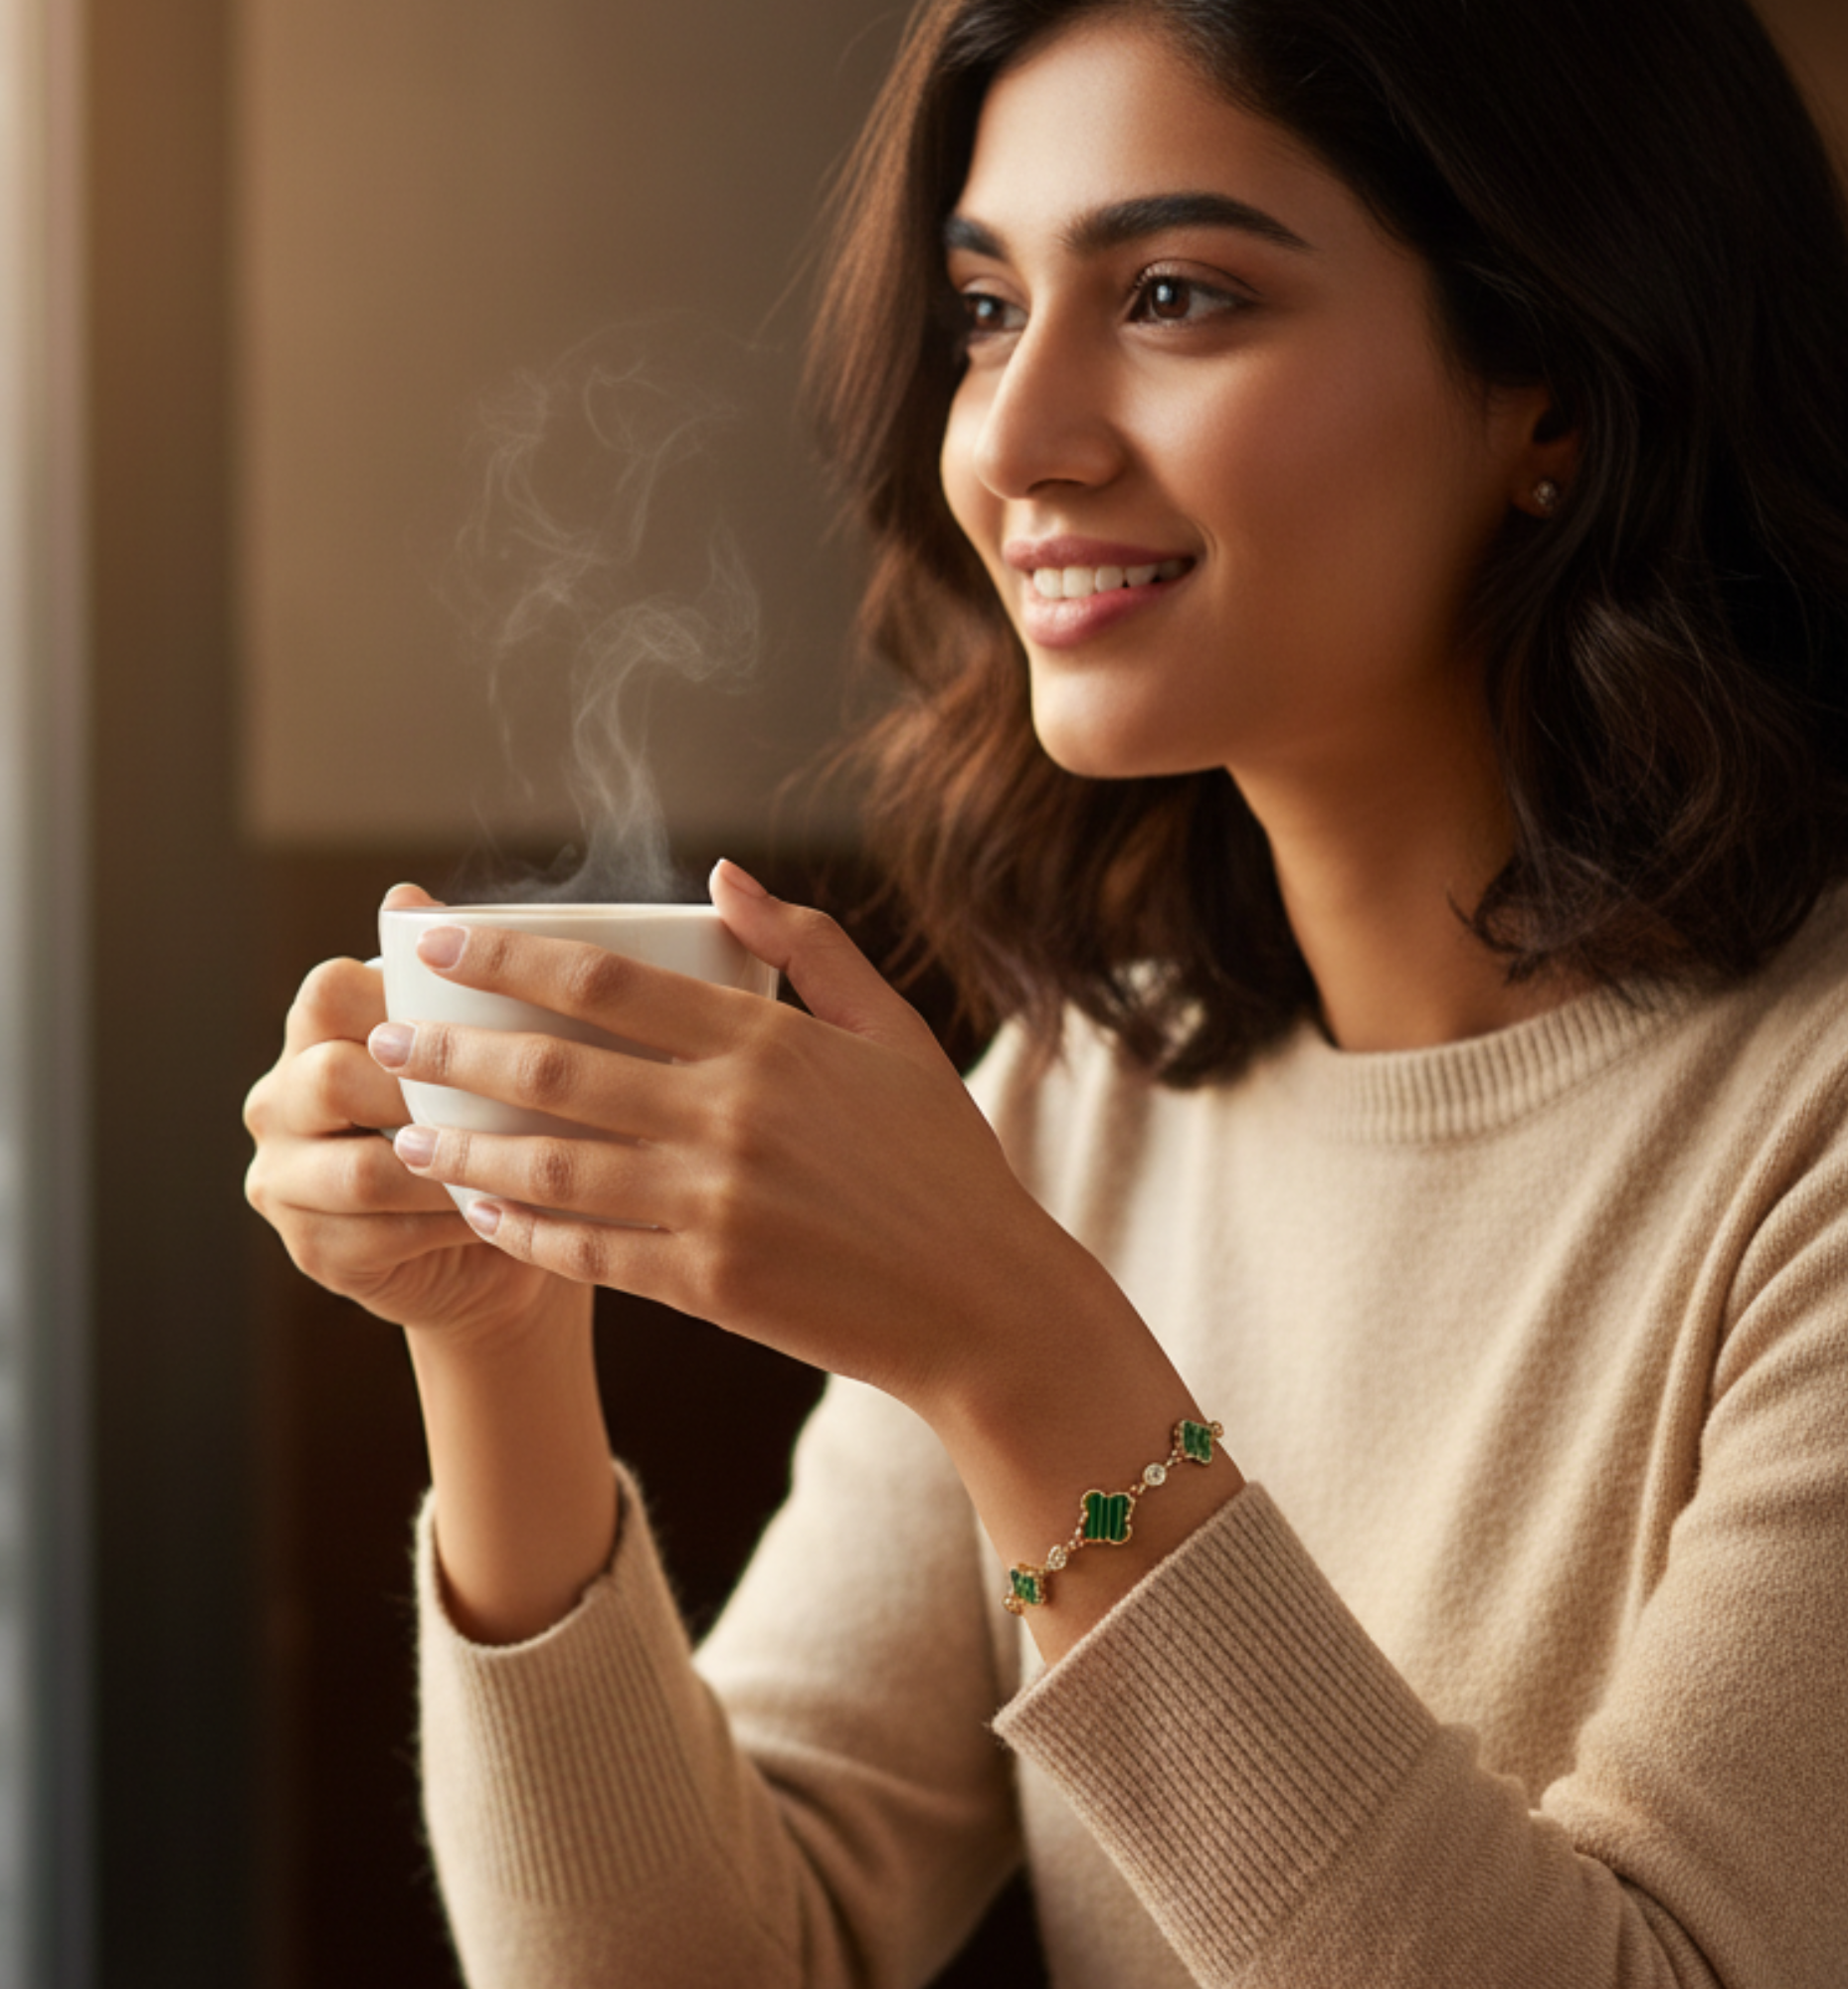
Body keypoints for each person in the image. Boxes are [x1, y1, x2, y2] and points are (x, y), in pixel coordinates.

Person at [242, 0, 1848, 1980]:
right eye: (987, 312)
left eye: (1173, 294)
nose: (1011, 436)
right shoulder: (1091, 1090)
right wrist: (495, 1346)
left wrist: (1021, 1354)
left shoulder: (1808, 1132)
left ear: (1555, 386)